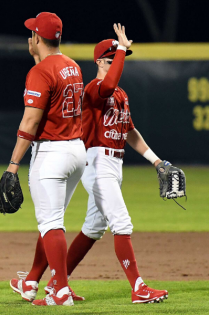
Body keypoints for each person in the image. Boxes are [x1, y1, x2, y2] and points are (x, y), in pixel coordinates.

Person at [43, 24, 169, 304]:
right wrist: (122, 48)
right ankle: (138, 287)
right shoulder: (94, 89)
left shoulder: (121, 94)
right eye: (112, 61)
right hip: (96, 162)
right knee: (121, 223)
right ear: (99, 62)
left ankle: (54, 287)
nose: (116, 66)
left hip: (115, 164)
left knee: (93, 228)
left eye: (119, 60)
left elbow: (130, 132)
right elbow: (108, 84)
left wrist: (156, 160)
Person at [6, 12, 86, 306]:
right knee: (51, 222)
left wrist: (13, 164)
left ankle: (61, 291)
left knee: (51, 223)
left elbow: (29, 122)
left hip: (52, 152)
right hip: (77, 150)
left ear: (38, 38)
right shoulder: (73, 66)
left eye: (32, 33)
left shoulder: (39, 72)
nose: (30, 38)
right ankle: (30, 282)